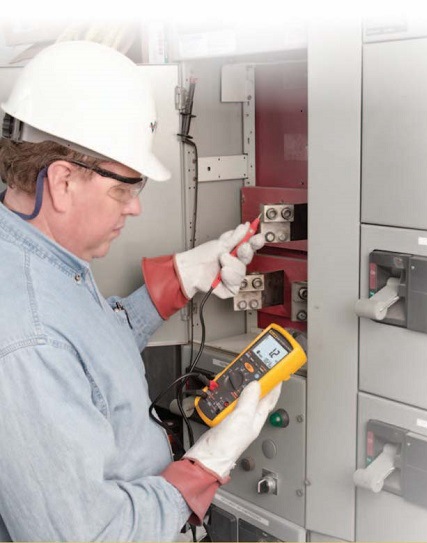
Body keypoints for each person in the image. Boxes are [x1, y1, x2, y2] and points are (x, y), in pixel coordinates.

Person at [0, 40, 281, 541]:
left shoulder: (39, 255)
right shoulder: (28, 334)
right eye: (124, 188)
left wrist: (179, 279)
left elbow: (85, 358)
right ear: (62, 182)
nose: (135, 208)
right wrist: (204, 467)